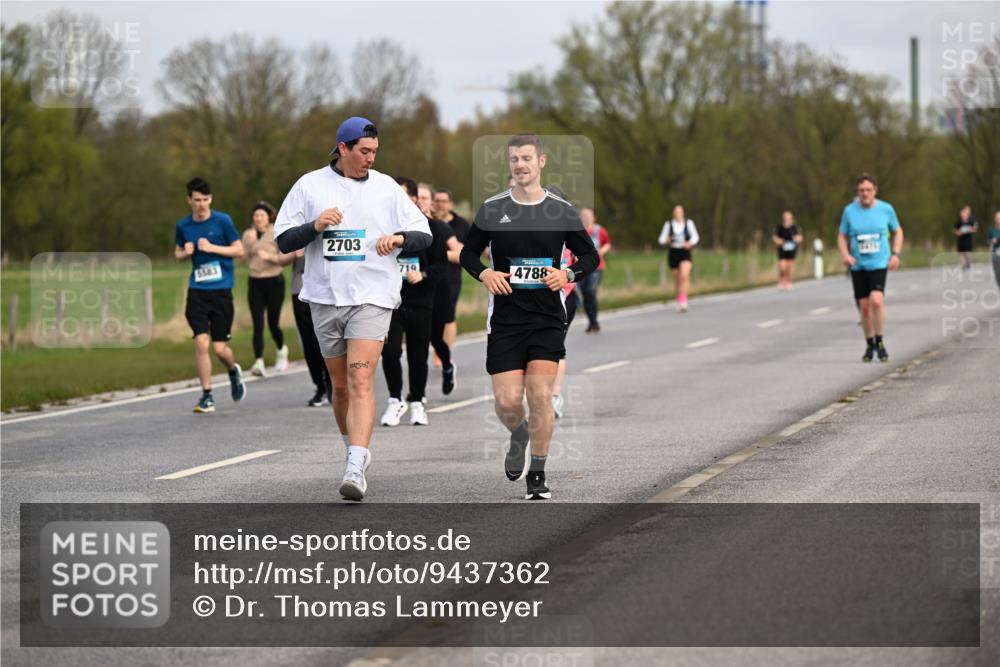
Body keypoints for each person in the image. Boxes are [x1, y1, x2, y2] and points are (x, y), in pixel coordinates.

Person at [274, 117, 432, 501]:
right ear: (342, 148)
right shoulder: (309, 185)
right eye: (364, 151)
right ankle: (354, 452)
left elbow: (424, 233)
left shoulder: (386, 187)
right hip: (325, 297)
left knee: (361, 379)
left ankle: (354, 466)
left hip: (373, 296)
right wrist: (314, 226)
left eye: (375, 152)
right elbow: (282, 240)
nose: (370, 159)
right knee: (340, 386)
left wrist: (399, 238)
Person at [460, 134, 599, 501]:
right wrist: (485, 274)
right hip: (506, 320)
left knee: (540, 395)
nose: (520, 165)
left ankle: (537, 473)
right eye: (514, 160)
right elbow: (468, 254)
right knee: (507, 402)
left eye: (526, 158)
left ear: (541, 161)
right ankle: (519, 432)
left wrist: (567, 275)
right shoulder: (493, 208)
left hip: (546, 319)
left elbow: (590, 258)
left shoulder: (560, 210)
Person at [379, 178, 453, 427]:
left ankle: (418, 403)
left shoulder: (431, 228)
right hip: (391, 301)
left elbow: (441, 264)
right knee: (389, 352)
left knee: (417, 355)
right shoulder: (384, 226)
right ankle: (394, 399)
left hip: (421, 300)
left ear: (413, 199)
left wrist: (422, 275)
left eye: (403, 196)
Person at [174, 177, 247, 413]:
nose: (202, 204)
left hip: (221, 292)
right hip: (197, 292)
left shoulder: (223, 221)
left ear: (211, 199)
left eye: (206, 199)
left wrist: (212, 248)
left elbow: (239, 249)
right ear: (189, 200)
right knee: (201, 342)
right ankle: (207, 395)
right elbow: (177, 252)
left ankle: (232, 369)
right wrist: (184, 253)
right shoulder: (183, 226)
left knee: (219, 349)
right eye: (197, 200)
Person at [837, 173, 904, 363]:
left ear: (875, 190)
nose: (864, 194)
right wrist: (845, 255)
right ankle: (869, 344)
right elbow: (842, 235)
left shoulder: (886, 209)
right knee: (864, 308)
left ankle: (880, 341)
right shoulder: (849, 211)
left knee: (876, 300)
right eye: (861, 191)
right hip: (858, 266)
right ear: (857, 192)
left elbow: (897, 231)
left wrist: (896, 253)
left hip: (879, 263)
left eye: (868, 190)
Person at [242, 200, 295, 377]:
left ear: (268, 217)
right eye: (256, 215)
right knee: (257, 324)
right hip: (255, 282)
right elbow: (241, 259)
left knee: (273, 323)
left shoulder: (275, 232)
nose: (258, 218)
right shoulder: (248, 234)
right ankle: (259, 361)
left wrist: (270, 256)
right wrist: (248, 246)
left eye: (261, 215)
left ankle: (281, 350)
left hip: (274, 282)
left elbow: (285, 255)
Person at [431, 188, 471, 391]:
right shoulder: (426, 223)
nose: (440, 204)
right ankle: (439, 348)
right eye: (436, 201)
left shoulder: (461, 224)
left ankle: (444, 352)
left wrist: (437, 254)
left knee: (448, 316)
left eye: (443, 201)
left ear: (451, 204)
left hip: (451, 278)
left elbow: (465, 254)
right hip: (430, 277)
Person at [291, 250, 332, 407]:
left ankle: (332, 384)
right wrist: (294, 254)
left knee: (326, 339)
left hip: (324, 289)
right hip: (299, 290)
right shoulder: (298, 227)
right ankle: (319, 386)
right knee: (309, 343)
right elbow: (280, 257)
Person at [552, 244, 579, 419]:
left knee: (556, 345)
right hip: (539, 298)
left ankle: (555, 396)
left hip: (566, 296)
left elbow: (587, 259)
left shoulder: (569, 230)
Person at [657, 205, 699, 312]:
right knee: (677, 279)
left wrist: (690, 243)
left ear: (683, 213)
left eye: (679, 211)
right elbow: (661, 239)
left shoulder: (688, 223)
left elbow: (695, 237)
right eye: (676, 211)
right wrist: (666, 240)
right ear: (673, 213)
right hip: (674, 252)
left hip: (685, 251)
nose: (678, 214)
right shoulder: (669, 224)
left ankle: (684, 301)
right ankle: (679, 300)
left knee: (684, 276)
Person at [578, 207, 611, 332]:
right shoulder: (577, 231)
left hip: (596, 267)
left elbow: (607, 243)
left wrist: (601, 251)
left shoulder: (599, 230)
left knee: (590, 290)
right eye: (583, 215)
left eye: (588, 215)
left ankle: (594, 321)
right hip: (580, 267)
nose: (585, 217)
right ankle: (591, 322)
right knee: (585, 293)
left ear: (593, 217)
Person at [772, 210, 804, 290]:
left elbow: (800, 237)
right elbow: (775, 237)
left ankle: (788, 281)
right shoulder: (779, 227)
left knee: (789, 267)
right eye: (786, 218)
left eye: (789, 218)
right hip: (782, 250)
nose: (787, 219)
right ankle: (782, 279)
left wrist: (797, 239)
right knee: (782, 267)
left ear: (791, 218)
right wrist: (778, 241)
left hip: (791, 250)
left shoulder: (795, 227)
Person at [954, 205, 978, 271]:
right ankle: (963, 265)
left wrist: (970, 230)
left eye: (964, 214)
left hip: (968, 239)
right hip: (961, 240)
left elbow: (975, 229)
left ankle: (968, 263)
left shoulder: (971, 221)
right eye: (962, 214)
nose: (963, 215)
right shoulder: (958, 222)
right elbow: (955, 230)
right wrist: (958, 232)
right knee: (961, 253)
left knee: (968, 254)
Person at [989, 211, 1000, 289]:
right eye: (997, 218)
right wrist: (992, 241)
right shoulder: (992, 230)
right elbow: (988, 241)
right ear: (995, 219)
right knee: (997, 274)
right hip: (996, 253)